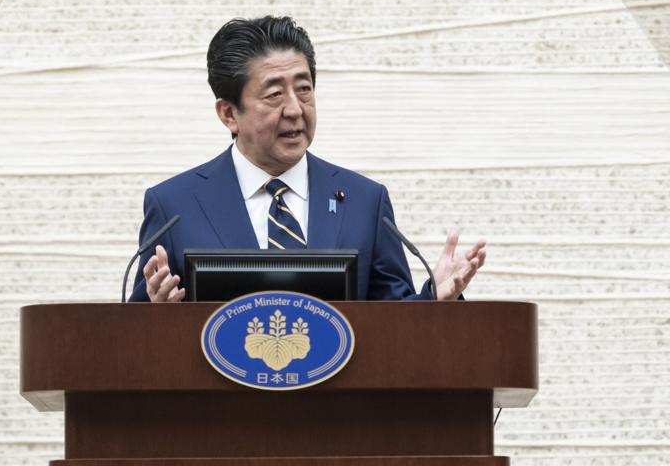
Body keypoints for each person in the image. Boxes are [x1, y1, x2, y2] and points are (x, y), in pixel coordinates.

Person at [128, 16, 485, 303]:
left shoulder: (365, 201)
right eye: (273, 94)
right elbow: (134, 345)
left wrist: (434, 300)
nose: (296, 110)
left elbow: (394, 330)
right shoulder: (174, 208)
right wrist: (159, 320)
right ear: (228, 114)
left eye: (304, 89)